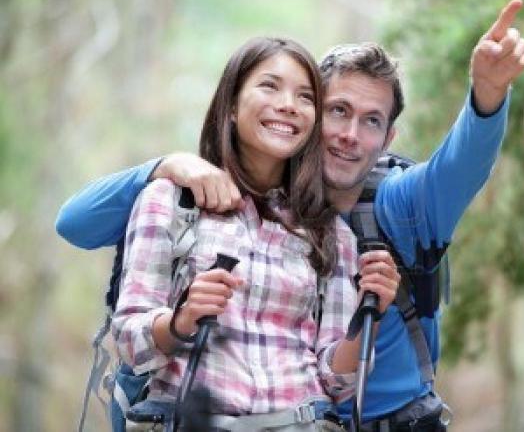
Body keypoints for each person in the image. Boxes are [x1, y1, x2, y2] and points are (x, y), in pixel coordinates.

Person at [57, 0, 524, 430]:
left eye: (371, 121)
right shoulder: (198, 196)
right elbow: (76, 223)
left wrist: (487, 94)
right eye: (337, 110)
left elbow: (462, 167)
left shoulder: (395, 208)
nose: (349, 134)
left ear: (388, 139)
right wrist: (162, 166)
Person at [101, 36, 399, 432]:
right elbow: (128, 341)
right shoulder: (170, 201)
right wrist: (182, 319)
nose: (288, 105)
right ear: (231, 106)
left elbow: (336, 382)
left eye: (305, 96)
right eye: (269, 86)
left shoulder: (329, 233)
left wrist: (370, 315)